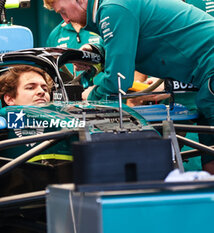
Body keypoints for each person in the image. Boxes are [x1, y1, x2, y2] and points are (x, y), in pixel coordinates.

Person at [43, 0, 214, 173]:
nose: (64, 20)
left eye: (62, 12)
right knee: (210, 164)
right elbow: (127, 38)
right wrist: (97, 50)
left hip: (209, 74)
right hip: (205, 82)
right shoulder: (113, 7)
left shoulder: (114, 7)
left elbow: (118, 80)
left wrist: (92, 96)